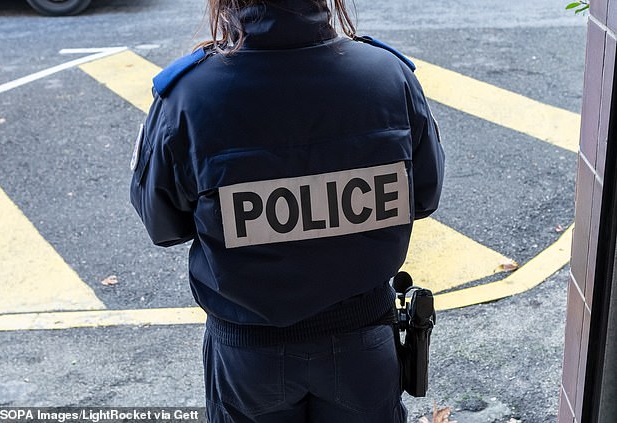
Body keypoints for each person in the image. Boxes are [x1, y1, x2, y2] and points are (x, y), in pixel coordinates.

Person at [130, 0, 444, 421]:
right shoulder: (389, 76)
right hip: (362, 345)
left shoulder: (188, 95)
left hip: (250, 359)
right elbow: (424, 195)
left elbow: (162, 224)